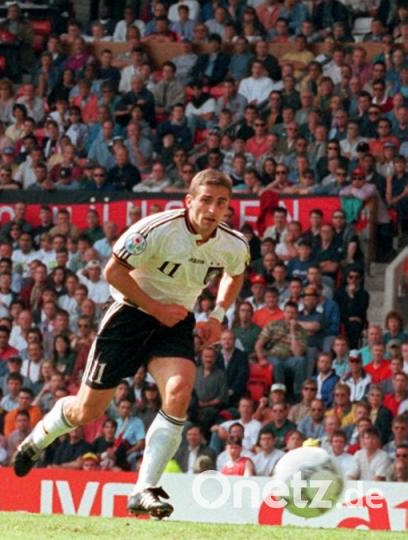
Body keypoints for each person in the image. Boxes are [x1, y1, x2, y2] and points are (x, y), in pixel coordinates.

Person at [14, 169, 249, 519]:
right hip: (129, 315)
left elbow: (236, 271)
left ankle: (144, 489)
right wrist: (155, 308)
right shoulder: (157, 229)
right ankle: (38, 438)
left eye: (221, 203)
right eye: (206, 200)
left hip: (175, 321)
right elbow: (113, 271)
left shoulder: (233, 243)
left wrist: (216, 315)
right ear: (189, 201)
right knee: (86, 411)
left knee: (179, 390)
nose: (213, 209)